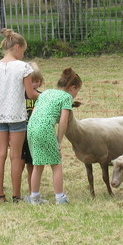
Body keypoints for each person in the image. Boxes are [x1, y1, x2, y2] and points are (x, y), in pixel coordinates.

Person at [0, 29, 39, 202]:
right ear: (17, 47)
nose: (23, 54)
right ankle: (16, 195)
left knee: (0, 155)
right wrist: (45, 95)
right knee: (16, 156)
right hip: (17, 117)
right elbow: (30, 94)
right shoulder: (24, 67)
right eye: (23, 50)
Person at [26, 68, 82, 205]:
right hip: (45, 130)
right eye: (77, 91)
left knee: (37, 164)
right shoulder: (66, 97)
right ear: (72, 87)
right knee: (56, 164)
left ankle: (34, 197)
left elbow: (34, 111)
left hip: (31, 128)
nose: (76, 95)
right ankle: (60, 197)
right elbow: (63, 121)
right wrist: (58, 140)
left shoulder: (46, 93)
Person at [21, 62, 44, 195]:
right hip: (20, 133)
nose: (34, 84)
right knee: (19, 163)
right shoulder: (19, 96)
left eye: (36, 81)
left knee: (32, 165)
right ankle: (16, 192)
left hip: (34, 135)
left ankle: (32, 191)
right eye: (31, 81)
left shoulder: (41, 97)